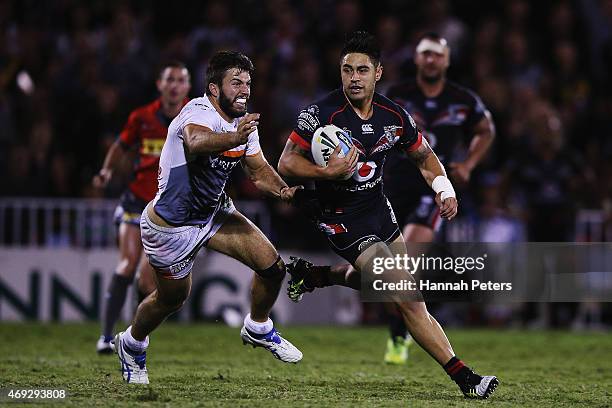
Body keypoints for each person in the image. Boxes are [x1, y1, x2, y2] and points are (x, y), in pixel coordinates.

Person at [278, 31, 498, 399]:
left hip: (380, 211)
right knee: (407, 296)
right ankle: (466, 378)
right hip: (342, 218)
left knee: (391, 290)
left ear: (377, 73)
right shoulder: (320, 113)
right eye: (347, 70)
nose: (353, 78)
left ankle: (313, 275)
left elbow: (424, 156)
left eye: (362, 70)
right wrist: (327, 174)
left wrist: (444, 188)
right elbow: (287, 162)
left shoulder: (393, 115)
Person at [113, 51, 305, 384]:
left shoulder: (242, 122)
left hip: (214, 214)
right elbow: (196, 140)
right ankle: (131, 343)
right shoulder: (198, 110)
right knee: (170, 300)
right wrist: (236, 136)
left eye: (248, 82)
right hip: (171, 228)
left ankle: (258, 327)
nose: (244, 90)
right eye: (236, 83)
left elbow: (258, 170)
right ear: (214, 89)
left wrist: (284, 192)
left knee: (273, 268)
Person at [382, 33, 495, 364]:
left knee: (405, 263)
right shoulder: (397, 95)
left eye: (437, 55)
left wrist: (469, 164)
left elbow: (485, 130)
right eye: (425, 54)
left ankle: (398, 338)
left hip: (432, 187)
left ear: (446, 60)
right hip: (392, 184)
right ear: (417, 59)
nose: (431, 60)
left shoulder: (462, 99)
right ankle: (400, 331)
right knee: (385, 265)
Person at [93, 61, 191, 354]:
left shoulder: (194, 117)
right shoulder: (141, 117)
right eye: (169, 79)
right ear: (160, 85)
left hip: (166, 212)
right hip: (136, 202)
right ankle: (106, 336)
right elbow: (121, 146)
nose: (174, 85)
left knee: (147, 281)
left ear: (187, 87)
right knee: (127, 264)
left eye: (180, 80)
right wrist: (106, 170)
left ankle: (134, 337)